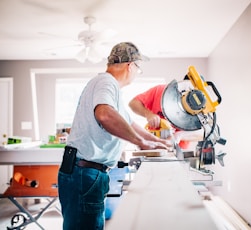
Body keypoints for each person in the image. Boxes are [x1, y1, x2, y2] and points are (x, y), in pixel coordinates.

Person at [58, 42, 171, 230]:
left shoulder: (112, 89)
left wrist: (158, 142)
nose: (136, 73)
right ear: (131, 65)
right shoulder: (106, 82)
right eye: (138, 68)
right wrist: (141, 143)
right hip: (84, 173)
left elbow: (131, 124)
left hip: (87, 172)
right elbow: (104, 114)